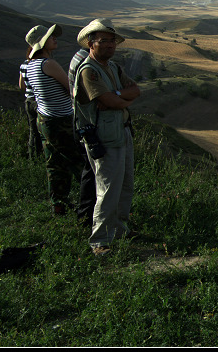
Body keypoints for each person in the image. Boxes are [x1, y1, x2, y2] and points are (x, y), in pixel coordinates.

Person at [73, 19, 141, 256]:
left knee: (125, 184)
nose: (110, 45)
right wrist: (118, 99)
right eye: (104, 41)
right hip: (103, 136)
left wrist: (118, 96)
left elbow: (134, 90)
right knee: (108, 187)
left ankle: (120, 229)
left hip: (122, 130)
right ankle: (100, 240)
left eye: (112, 41)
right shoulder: (89, 71)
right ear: (91, 44)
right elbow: (108, 102)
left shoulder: (114, 68)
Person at [25, 24, 83, 215]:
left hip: (44, 120)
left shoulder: (31, 65)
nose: (55, 39)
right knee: (80, 163)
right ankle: (91, 206)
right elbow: (72, 89)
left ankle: (59, 204)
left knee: (55, 165)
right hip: (61, 121)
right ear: (42, 43)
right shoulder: (48, 64)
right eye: (51, 36)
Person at [68, 47, 97, 228]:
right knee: (93, 172)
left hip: (80, 120)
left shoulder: (78, 56)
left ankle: (86, 215)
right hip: (89, 123)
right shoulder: (88, 63)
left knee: (90, 170)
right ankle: (87, 216)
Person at [19, 52, 42, 159]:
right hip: (39, 101)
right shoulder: (41, 64)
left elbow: (21, 85)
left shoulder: (24, 65)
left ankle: (32, 157)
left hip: (28, 100)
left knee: (33, 132)